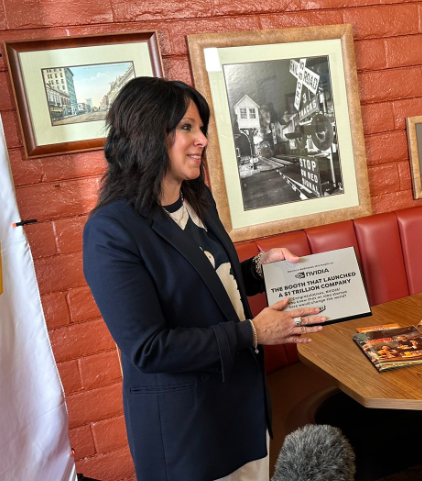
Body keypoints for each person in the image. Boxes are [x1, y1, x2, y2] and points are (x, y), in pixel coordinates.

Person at [82, 77, 327, 481]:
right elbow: (149, 348)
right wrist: (251, 333)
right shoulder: (111, 230)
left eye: (201, 129)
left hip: (245, 410)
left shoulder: (197, 197)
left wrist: (260, 267)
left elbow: (211, 281)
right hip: (189, 435)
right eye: (187, 127)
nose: (202, 140)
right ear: (147, 132)